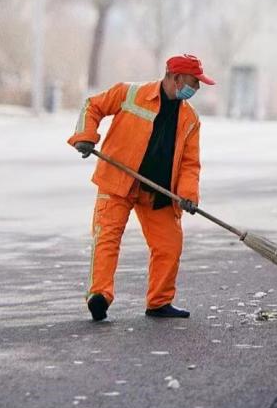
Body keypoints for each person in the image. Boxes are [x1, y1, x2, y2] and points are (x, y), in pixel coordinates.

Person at [67, 53, 215, 322]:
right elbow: (92, 105)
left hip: (157, 191)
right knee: (107, 237)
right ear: (175, 77)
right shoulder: (129, 93)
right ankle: (99, 295)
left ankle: (159, 302)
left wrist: (188, 195)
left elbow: (190, 163)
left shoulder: (190, 119)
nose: (196, 88)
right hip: (117, 181)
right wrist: (85, 136)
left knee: (169, 245)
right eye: (194, 82)